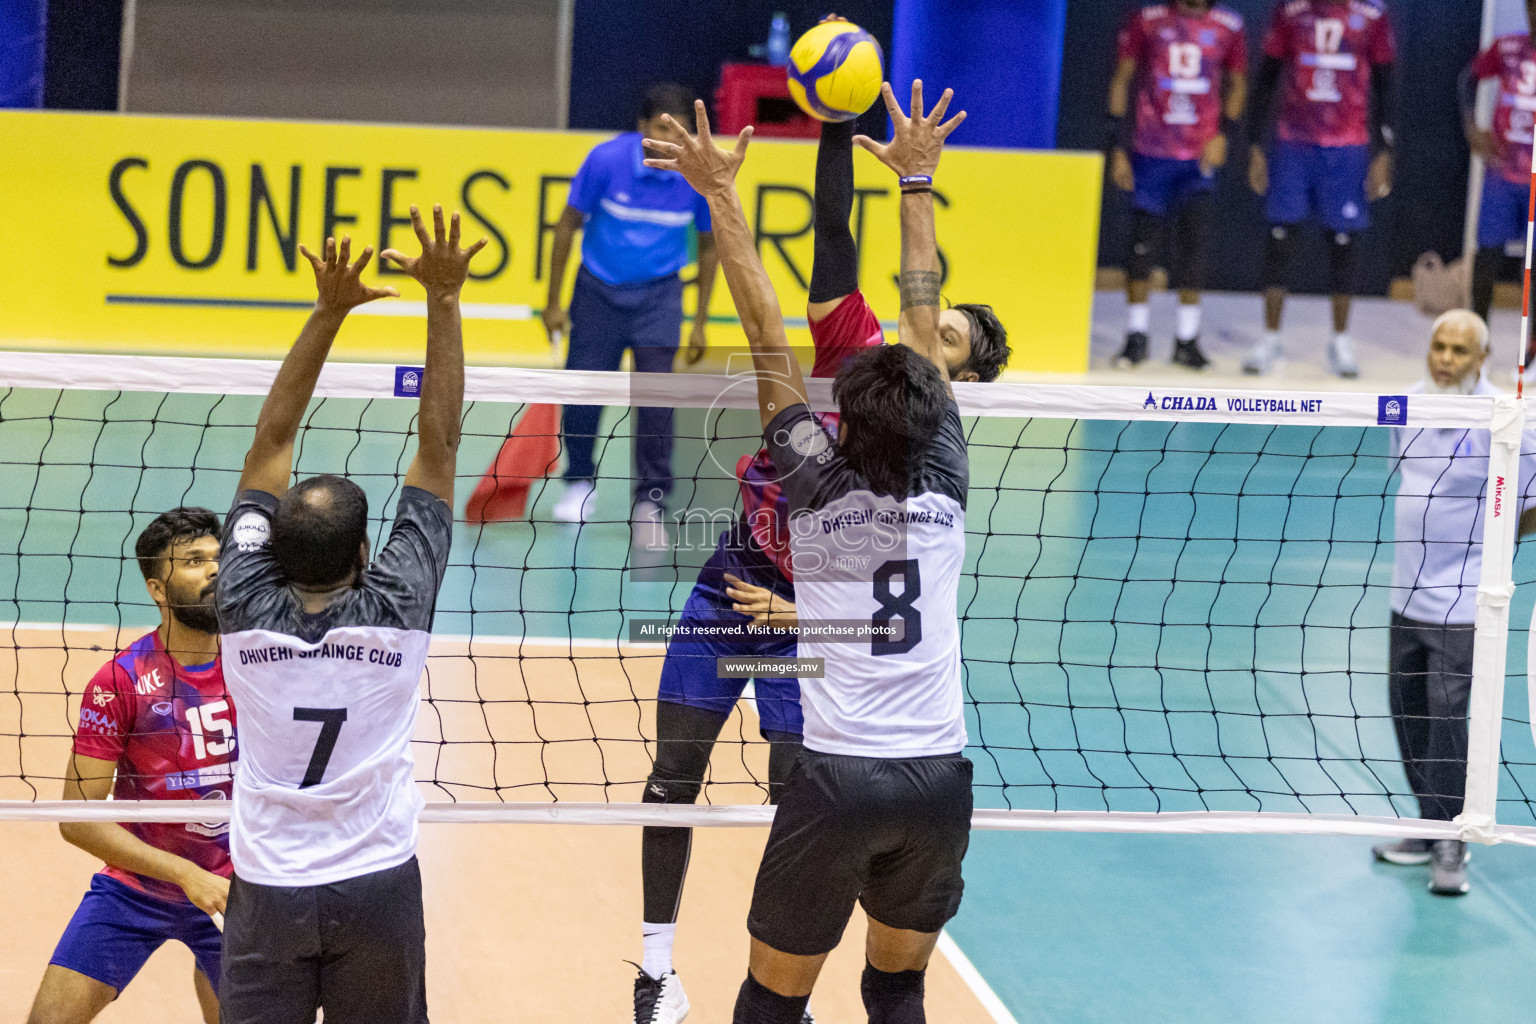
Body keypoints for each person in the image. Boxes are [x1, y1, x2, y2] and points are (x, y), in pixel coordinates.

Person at [630, 37, 1009, 1024]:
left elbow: (765, 334)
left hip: (837, 781)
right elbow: (922, 327)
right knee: (895, 988)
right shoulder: (949, 487)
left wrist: (723, 195)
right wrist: (917, 183)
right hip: (938, 778)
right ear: (937, 407)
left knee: (772, 997)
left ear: (849, 413)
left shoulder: (816, 491)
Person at [214, 209, 482, 1024]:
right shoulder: (396, 604)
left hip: (267, 888)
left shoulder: (239, 604)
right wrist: (442, 298)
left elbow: (270, 440)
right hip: (376, 885)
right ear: (366, 553)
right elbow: (438, 450)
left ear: (268, 552)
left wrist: (327, 311)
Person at [26, 508, 232, 1024]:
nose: (215, 570)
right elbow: (77, 817)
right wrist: (184, 874)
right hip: (139, 887)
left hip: (240, 888)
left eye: (218, 557)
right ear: (158, 589)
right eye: (194, 561)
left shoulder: (259, 667)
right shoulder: (119, 681)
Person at [1372, 309, 1536, 896]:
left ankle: (1453, 839)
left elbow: (1531, 503)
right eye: (1438, 346)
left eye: (1459, 351)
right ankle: (1427, 822)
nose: (1445, 359)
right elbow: (1407, 476)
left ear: (1481, 359)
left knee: (1448, 720)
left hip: (1464, 605)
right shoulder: (1406, 404)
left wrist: (1499, 538)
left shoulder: (1507, 417)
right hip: (1404, 594)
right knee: (1407, 710)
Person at [544, 82, 721, 549]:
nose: (670, 140)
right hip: (597, 290)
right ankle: (579, 482)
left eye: (678, 132)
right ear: (642, 127)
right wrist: (553, 302)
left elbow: (708, 246)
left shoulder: (694, 176)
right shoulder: (603, 161)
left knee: (657, 400)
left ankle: (651, 502)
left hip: (660, 298)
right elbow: (566, 226)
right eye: (662, 129)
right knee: (583, 389)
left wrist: (700, 320)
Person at [1244, 0, 1397, 378]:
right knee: (1280, 239)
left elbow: (1386, 85)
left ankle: (1341, 340)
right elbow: (1266, 78)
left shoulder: (1371, 16)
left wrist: (1384, 151)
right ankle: (1270, 338)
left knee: (1344, 243)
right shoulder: (1291, 12)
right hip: (1293, 142)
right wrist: (1254, 146)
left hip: (1347, 145)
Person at [1108, 0, 1248, 370]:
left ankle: (1187, 341)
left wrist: (1224, 135)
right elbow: (1122, 79)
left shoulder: (1228, 25)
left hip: (1198, 156)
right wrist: (1116, 146)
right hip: (1150, 152)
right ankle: (1135, 337)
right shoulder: (1148, 20)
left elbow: (1238, 83)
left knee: (1194, 249)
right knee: (1140, 249)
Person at [1463, 0, 1536, 332]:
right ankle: (1479, 340)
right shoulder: (1507, 46)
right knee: (1487, 255)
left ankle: (1531, 353)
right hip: (1502, 173)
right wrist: (1471, 128)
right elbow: (1467, 80)